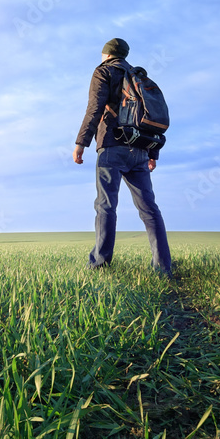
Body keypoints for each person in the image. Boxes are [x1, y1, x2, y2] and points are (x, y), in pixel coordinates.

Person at [73, 38, 174, 277]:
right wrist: (152, 152)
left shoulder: (104, 72)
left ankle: (100, 264)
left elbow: (94, 108)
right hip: (139, 149)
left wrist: (81, 142)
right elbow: (151, 116)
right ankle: (163, 267)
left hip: (111, 146)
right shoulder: (138, 76)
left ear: (106, 54)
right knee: (149, 209)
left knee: (106, 206)